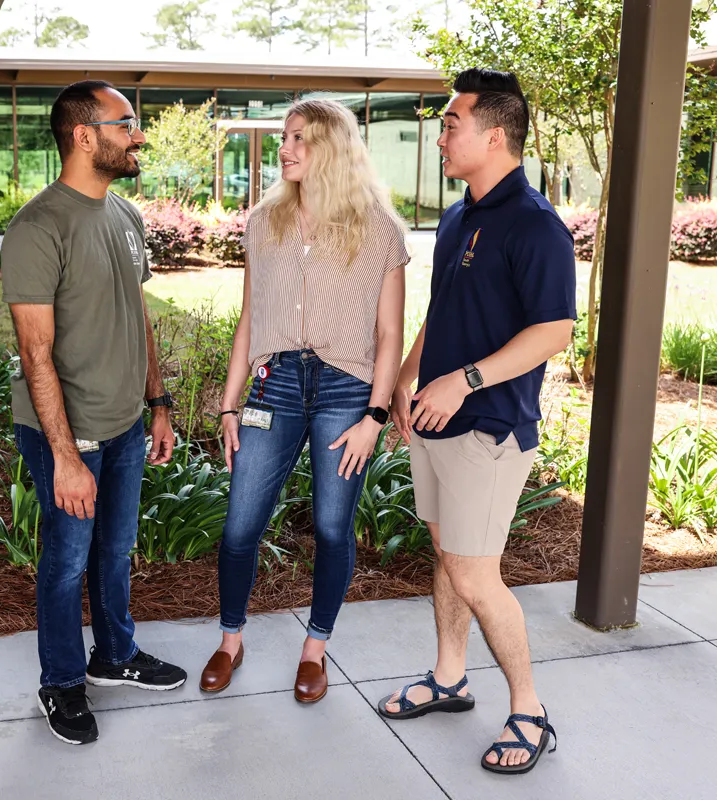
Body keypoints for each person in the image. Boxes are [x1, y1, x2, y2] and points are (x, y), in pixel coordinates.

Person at [376, 68, 576, 775]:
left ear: (496, 134)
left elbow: (554, 331)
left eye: (452, 124)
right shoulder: (463, 214)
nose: (440, 137)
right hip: (435, 421)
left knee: (473, 572)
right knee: (450, 560)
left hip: (488, 426)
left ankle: (530, 711)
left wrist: (463, 383)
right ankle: (450, 676)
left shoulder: (537, 225)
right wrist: (404, 377)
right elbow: (445, 310)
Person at [199, 99, 408, 704]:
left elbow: (390, 333)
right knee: (240, 527)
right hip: (276, 385)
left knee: (331, 526)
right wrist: (229, 405)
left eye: (298, 139)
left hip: (347, 388)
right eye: (285, 138)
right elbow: (249, 318)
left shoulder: (378, 228)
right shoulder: (265, 222)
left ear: (332, 149)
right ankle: (230, 639)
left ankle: (315, 648)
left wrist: (375, 415)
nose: (285, 149)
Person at [0, 80, 187, 746]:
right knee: (65, 561)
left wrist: (157, 401)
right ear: (84, 135)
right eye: (126, 123)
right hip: (67, 432)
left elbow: (137, 315)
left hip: (127, 424)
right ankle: (61, 681)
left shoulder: (125, 216)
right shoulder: (37, 227)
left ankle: (115, 655)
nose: (138, 136)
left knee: (114, 549)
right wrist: (65, 458)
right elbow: (34, 353)